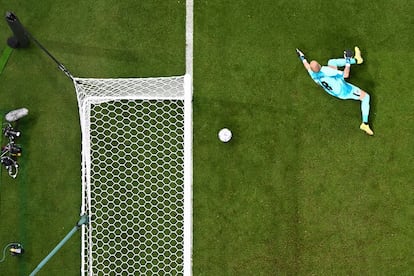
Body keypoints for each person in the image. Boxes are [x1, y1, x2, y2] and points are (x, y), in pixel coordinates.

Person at [296, 47, 374, 135]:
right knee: (366, 97)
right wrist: (347, 60)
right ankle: (365, 124)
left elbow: (307, 67)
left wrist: (302, 57)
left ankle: (357, 60)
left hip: (333, 89)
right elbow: (345, 75)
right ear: (319, 65)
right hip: (343, 90)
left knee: (332, 62)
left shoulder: (313, 74)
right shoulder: (326, 71)